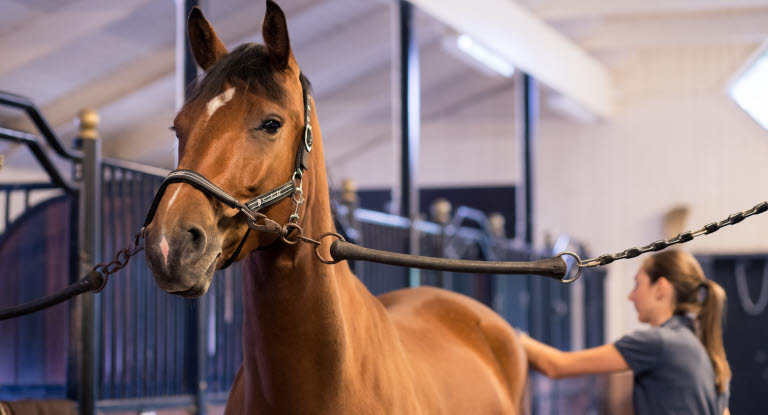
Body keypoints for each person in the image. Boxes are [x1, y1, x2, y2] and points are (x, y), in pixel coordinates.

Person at [520, 249, 730, 415]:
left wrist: (507, 333)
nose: (631, 296)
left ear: (660, 288)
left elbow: (557, 366)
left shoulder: (660, 343)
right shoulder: (704, 351)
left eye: (638, 284)